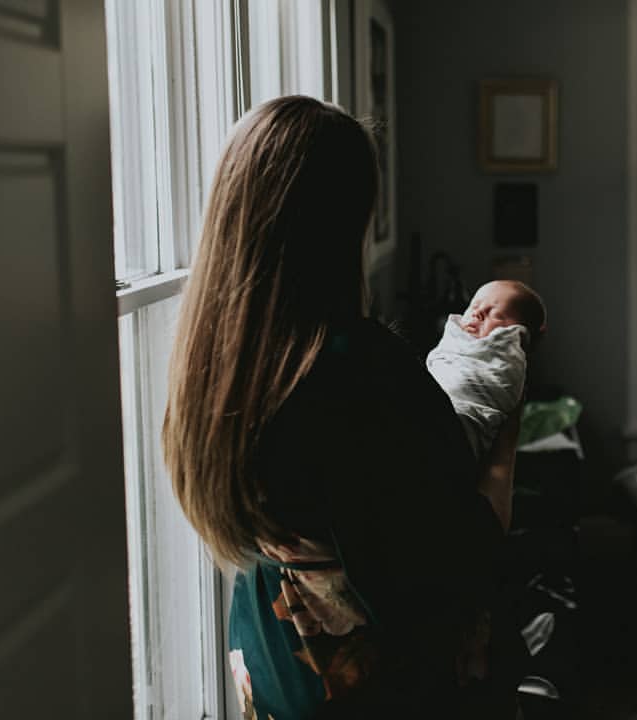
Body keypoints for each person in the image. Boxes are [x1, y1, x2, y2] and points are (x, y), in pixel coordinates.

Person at [162, 96, 523, 719]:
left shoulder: (213, 365)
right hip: (371, 690)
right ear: (343, 223)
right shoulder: (357, 366)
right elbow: (467, 554)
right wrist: (508, 420)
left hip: (275, 671)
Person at [426, 280, 547, 459]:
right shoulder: (453, 343)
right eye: (474, 305)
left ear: (517, 334)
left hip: (461, 428)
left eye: (496, 314)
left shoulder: (505, 360)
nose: (478, 313)